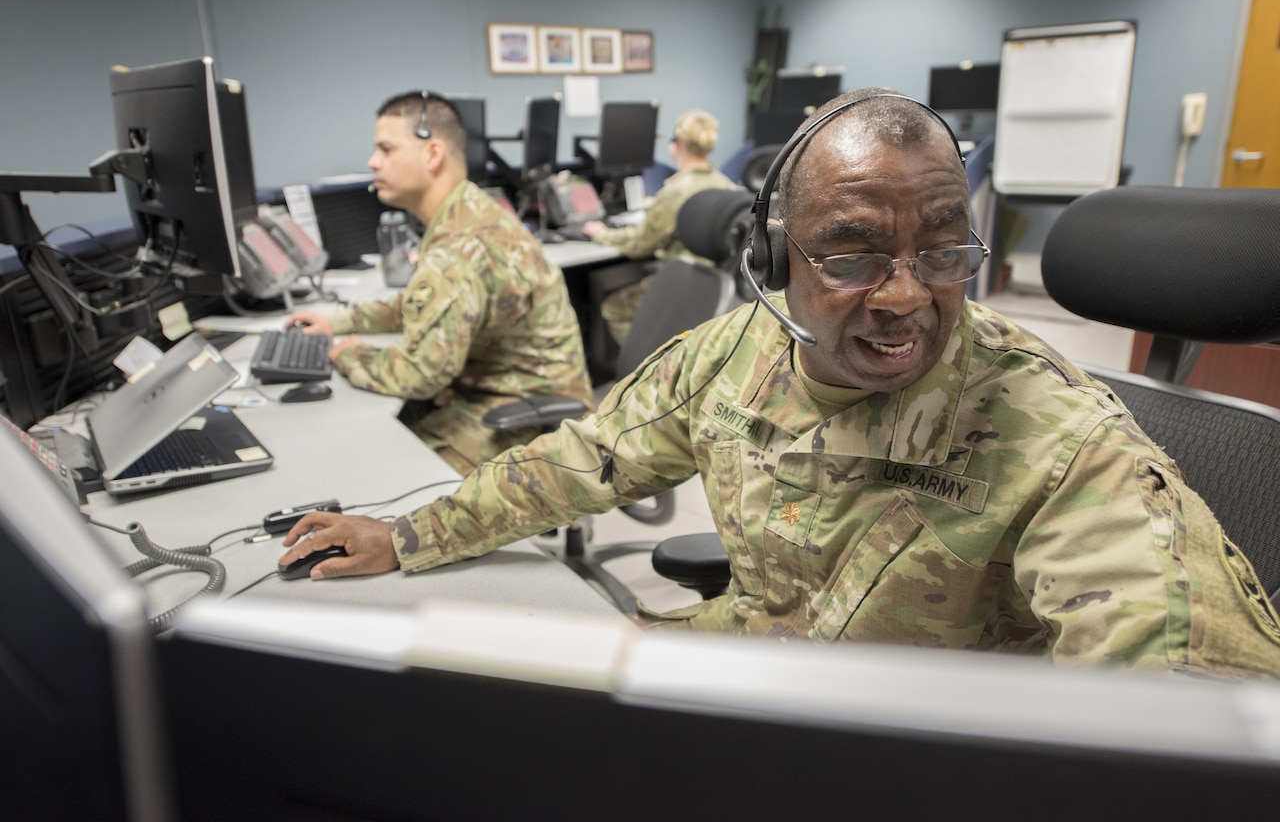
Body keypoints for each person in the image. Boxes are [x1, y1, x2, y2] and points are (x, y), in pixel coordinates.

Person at [281, 89, 1280, 678]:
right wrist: (409, 533)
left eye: (942, 253)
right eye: (849, 256)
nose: (904, 298)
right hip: (750, 667)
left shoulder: (1052, 434)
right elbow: (584, 456)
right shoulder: (732, 357)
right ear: (770, 260)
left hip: (916, 745)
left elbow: (1184, 703)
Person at [286, 92, 593, 474]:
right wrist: (339, 323)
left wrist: (348, 353)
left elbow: (420, 374)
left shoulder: (458, 249)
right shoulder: (471, 213)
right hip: (515, 390)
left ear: (432, 154)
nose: (372, 162)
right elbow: (419, 304)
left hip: (525, 414)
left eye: (386, 148)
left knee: (393, 482)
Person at [581, 109, 738, 344]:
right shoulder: (725, 184)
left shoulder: (675, 192)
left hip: (680, 284)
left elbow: (638, 244)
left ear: (678, 144)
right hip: (712, 287)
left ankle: (647, 372)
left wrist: (601, 234)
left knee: (614, 308)